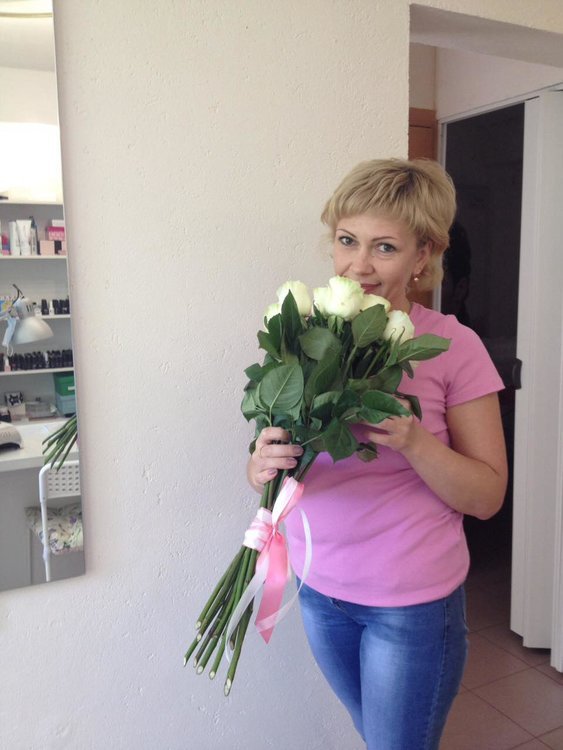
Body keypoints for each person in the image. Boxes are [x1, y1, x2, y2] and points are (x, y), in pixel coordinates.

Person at [247, 158, 508, 750]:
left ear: (422, 256)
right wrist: (260, 465)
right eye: (347, 241)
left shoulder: (454, 347)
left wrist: (415, 441)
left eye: (384, 247)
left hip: (410, 606)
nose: (358, 265)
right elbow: (279, 465)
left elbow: (488, 496)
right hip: (319, 591)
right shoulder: (305, 337)